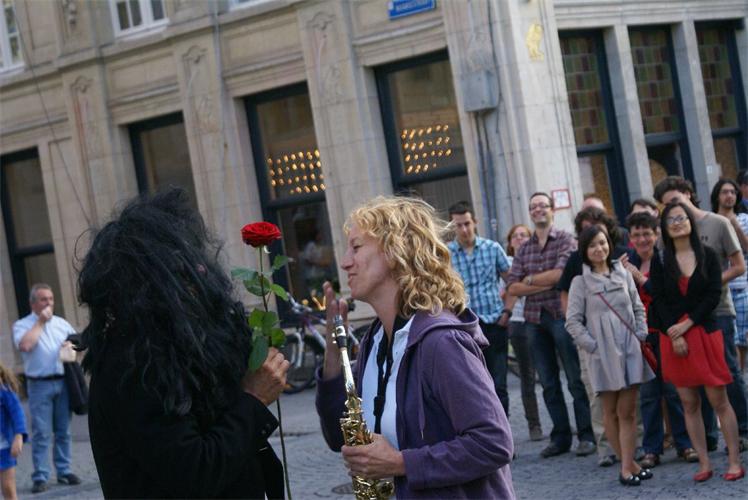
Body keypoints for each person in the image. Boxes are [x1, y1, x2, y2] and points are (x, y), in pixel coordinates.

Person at [77, 188, 289, 498]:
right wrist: (254, 400)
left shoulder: (175, 345)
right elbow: (196, 471)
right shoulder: (133, 366)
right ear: (149, 287)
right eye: (182, 271)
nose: (200, 273)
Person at [316, 196, 515, 498]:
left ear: (395, 252)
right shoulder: (375, 341)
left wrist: (401, 463)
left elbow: (493, 443)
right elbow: (338, 437)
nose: (344, 262)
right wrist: (334, 349)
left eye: (356, 247)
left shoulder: (441, 342)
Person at [648, 201, 744, 481]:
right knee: (688, 402)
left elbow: (713, 294)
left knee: (719, 399)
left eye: (682, 218)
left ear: (691, 221)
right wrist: (673, 331)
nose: (677, 223)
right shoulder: (660, 259)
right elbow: (659, 299)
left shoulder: (708, 254)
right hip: (672, 337)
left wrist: (687, 324)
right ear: (664, 228)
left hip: (704, 330)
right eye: (671, 220)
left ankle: (734, 461)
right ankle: (704, 463)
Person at [507, 192, 595, 458]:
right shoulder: (524, 248)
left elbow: (560, 275)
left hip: (560, 315)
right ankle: (560, 437)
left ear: (552, 210)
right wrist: (541, 283)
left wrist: (529, 280)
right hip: (534, 319)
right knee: (547, 382)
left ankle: (586, 434)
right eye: (533, 207)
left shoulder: (566, 240)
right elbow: (512, 286)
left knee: (574, 379)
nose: (538, 210)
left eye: (542, 205)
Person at [566, 225, 655, 486]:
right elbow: (572, 322)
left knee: (628, 411)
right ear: (584, 250)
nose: (599, 249)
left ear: (609, 244)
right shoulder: (580, 282)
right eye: (593, 245)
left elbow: (638, 307)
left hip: (629, 349)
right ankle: (627, 466)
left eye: (602, 242)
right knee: (610, 411)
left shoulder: (623, 274)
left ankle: (629, 464)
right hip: (602, 355)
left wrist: (640, 334)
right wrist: (593, 347)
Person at [622, 212, 696, 468]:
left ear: (656, 235)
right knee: (648, 395)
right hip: (639, 336)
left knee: (674, 391)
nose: (642, 239)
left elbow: (667, 295)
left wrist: (640, 278)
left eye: (647, 233)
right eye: (637, 235)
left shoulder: (665, 260)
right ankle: (652, 449)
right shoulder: (624, 263)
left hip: (666, 330)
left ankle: (684, 443)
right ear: (630, 238)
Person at [558, 206, 628, 466]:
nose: (595, 241)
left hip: (623, 339)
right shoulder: (575, 261)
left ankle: (634, 445)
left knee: (628, 394)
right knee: (597, 395)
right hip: (591, 340)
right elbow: (565, 296)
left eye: (597, 229)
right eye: (586, 231)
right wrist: (581, 335)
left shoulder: (620, 258)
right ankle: (606, 448)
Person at [12, 284, 80, 494]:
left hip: (63, 381)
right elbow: (25, 345)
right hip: (39, 384)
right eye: (43, 299)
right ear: (33, 303)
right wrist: (41, 321)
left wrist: (71, 347)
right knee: (41, 432)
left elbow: (78, 344)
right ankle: (41, 475)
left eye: (50, 299)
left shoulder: (61, 323)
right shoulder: (22, 325)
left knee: (63, 430)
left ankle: (64, 470)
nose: (48, 303)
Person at [447, 201, 511, 413]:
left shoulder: (492, 248)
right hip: (464, 327)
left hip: (494, 322)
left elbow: (512, 282)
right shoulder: (445, 255)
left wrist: (507, 311)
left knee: (499, 383)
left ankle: (503, 429)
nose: (464, 229)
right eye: (459, 225)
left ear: (474, 222)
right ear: (452, 227)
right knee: (473, 385)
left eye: (467, 223)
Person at [500, 224, 543, 441]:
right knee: (527, 375)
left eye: (523, 235)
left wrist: (522, 286)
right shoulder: (506, 263)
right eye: (515, 236)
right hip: (518, 322)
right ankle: (534, 424)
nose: (519, 239)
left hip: (540, 318)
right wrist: (536, 285)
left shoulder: (536, 260)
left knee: (548, 374)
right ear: (510, 243)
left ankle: (561, 423)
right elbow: (507, 291)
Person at [711, 178, 748, 373]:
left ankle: (740, 377)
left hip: (742, 286)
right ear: (717, 196)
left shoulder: (744, 219)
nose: (729, 196)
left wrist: (736, 226)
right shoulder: (710, 221)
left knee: (742, 339)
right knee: (728, 339)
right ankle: (735, 378)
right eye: (725, 192)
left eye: (733, 192)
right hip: (720, 290)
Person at [0, 363, 27, 500]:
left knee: (8, 488)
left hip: (4, 448)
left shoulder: (4, 391)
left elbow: (17, 414)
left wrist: (18, 436)